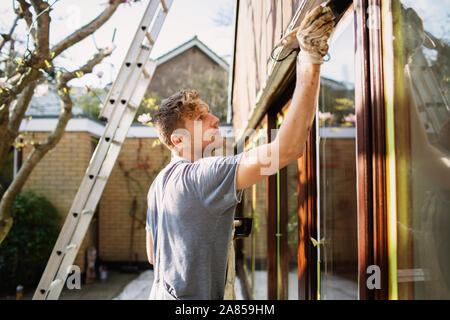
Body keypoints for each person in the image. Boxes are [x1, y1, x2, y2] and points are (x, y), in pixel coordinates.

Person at [145, 5, 335, 300]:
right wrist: (311, 59)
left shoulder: (159, 184)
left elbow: (154, 255)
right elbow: (287, 149)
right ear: (178, 140)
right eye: (200, 119)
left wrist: (209, 227)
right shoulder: (204, 176)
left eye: (209, 113)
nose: (215, 119)